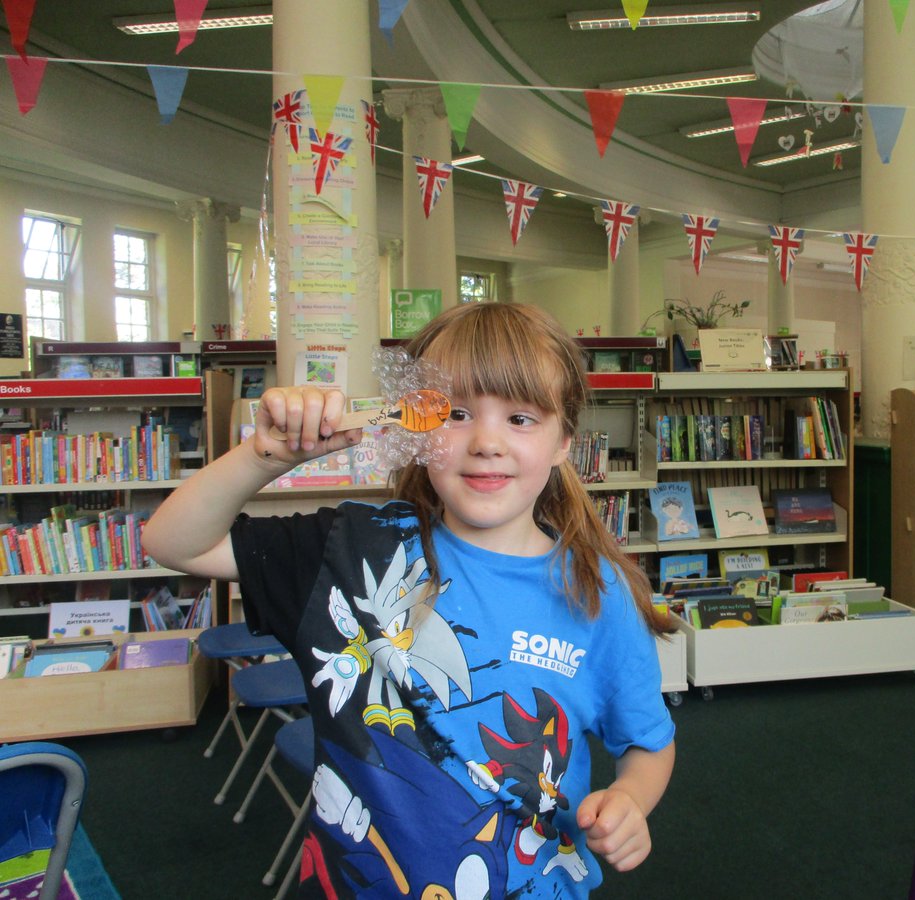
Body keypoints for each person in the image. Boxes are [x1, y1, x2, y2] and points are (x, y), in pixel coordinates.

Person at [142, 302, 676, 899]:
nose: (486, 442)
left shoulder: (596, 592)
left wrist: (630, 798)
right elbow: (172, 542)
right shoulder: (352, 551)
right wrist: (264, 457)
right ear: (414, 424)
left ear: (563, 443)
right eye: (455, 413)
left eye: (521, 418)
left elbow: (648, 743)